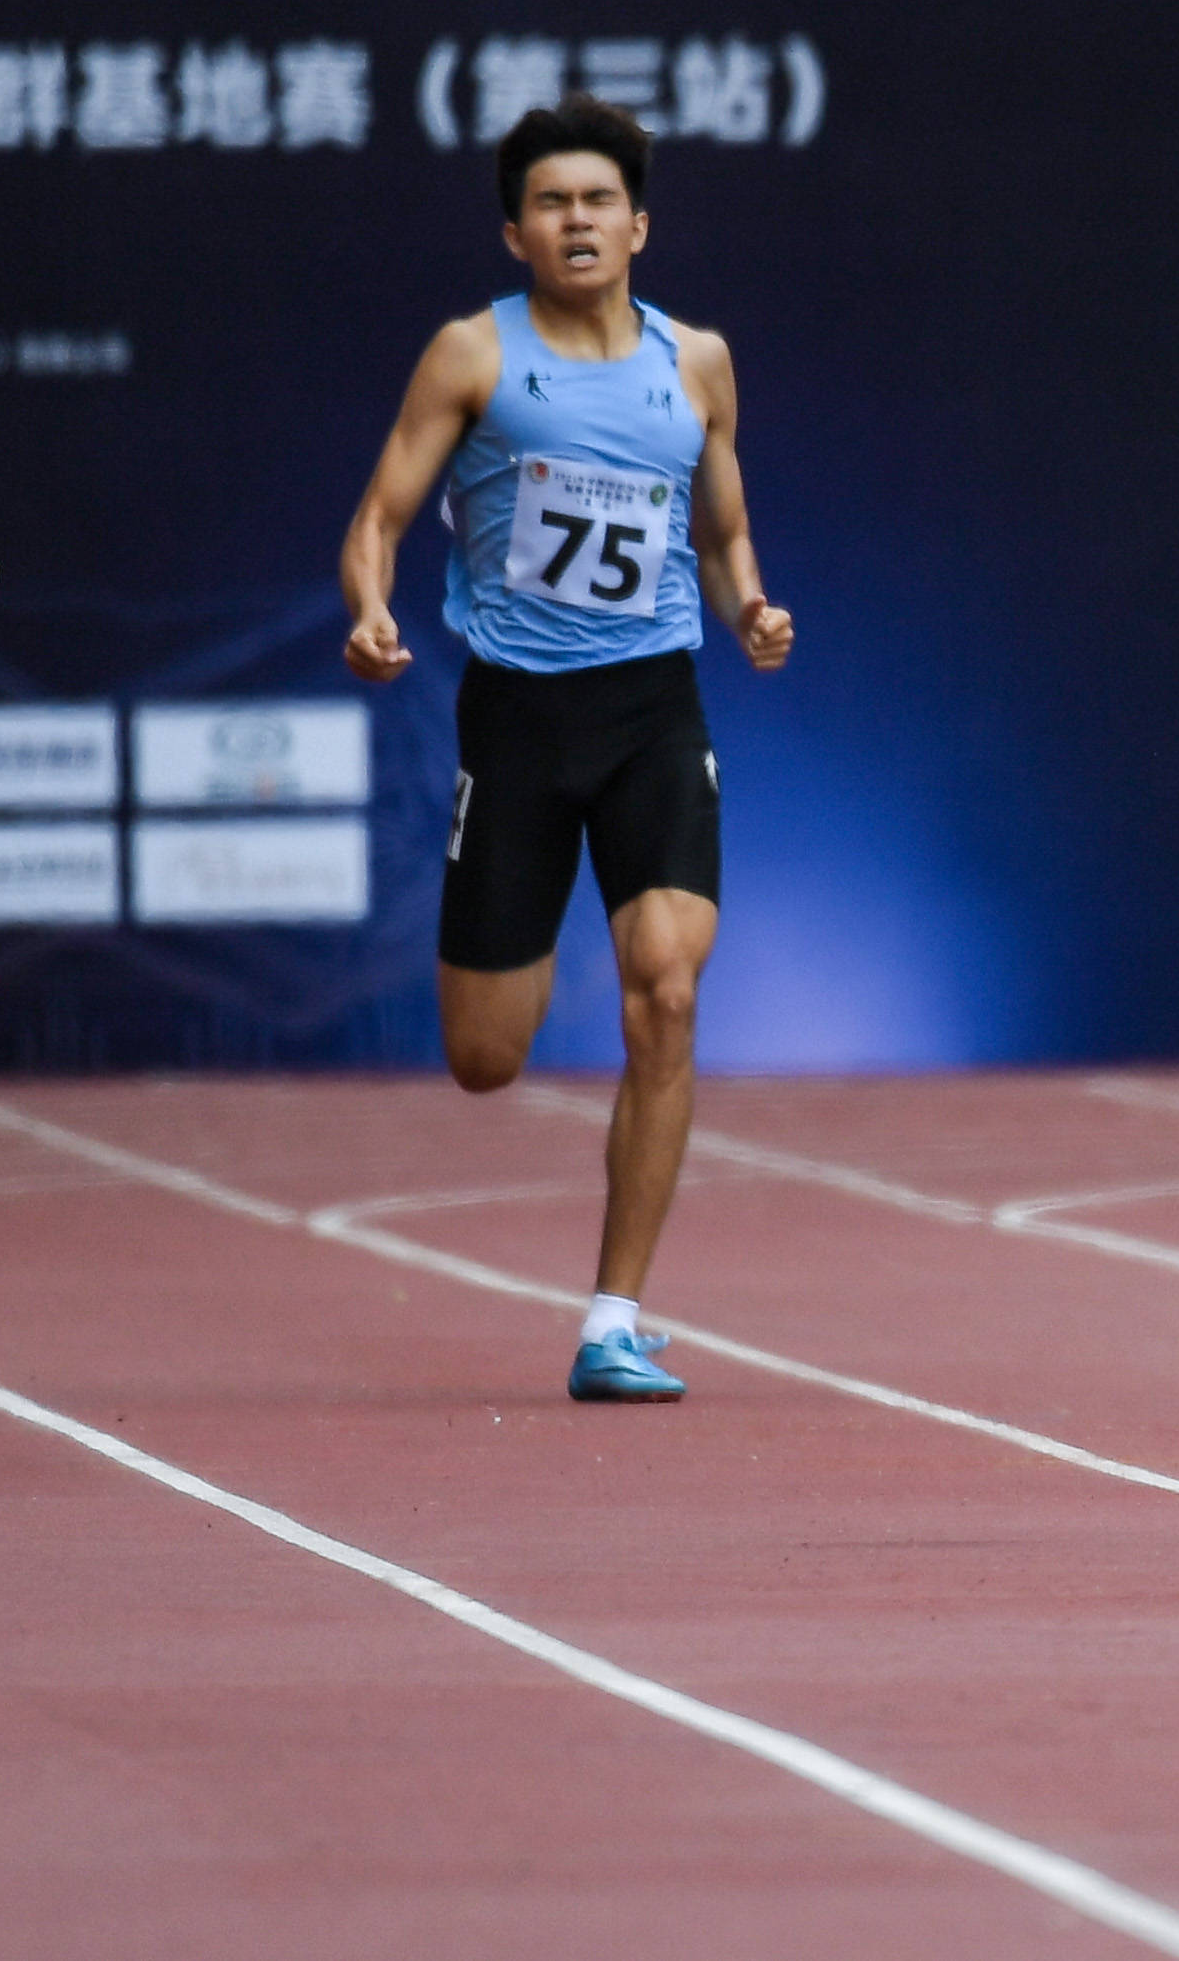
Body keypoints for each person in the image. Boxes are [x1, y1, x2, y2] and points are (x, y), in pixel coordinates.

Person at [339, 94, 793, 1404]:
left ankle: (613, 1315)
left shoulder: (694, 361)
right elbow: (380, 516)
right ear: (516, 229)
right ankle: (605, 1282)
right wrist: (370, 610)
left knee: (667, 985)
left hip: (655, 708)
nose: (577, 219)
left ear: (638, 224)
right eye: (552, 202)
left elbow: (720, 530)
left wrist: (750, 603)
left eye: (599, 200)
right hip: (520, 717)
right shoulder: (473, 357)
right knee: (487, 1055)